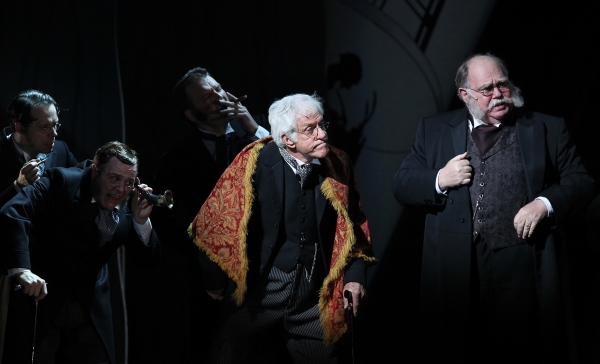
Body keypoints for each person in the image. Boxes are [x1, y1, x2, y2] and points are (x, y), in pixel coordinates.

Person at [392, 53, 594, 363]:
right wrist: (440, 179)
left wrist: (544, 204)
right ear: (465, 95)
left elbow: (581, 181)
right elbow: (402, 185)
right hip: (455, 265)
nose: (498, 94)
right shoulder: (433, 130)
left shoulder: (546, 128)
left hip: (520, 263)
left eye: (503, 84)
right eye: (487, 89)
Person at [190, 93, 375, 363]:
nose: (321, 134)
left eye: (322, 125)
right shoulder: (253, 164)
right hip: (263, 287)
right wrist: (215, 281)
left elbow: (354, 223)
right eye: (309, 129)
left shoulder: (338, 163)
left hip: (312, 293)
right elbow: (218, 223)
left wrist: (355, 275)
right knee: (226, 348)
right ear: (287, 139)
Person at [129, 67, 269, 363]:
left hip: (266, 270)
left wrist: (253, 127)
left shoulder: (255, 139)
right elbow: (163, 220)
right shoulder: (178, 159)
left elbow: (291, 171)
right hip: (211, 283)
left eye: (218, 89)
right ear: (191, 115)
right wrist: (200, 249)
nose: (219, 97)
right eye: (207, 97)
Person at [0, 141, 160, 363]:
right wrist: (22, 270)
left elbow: (147, 260)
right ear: (95, 169)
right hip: (44, 300)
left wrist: (141, 221)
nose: (121, 189)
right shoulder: (61, 180)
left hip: (89, 307)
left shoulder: (128, 202)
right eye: (114, 179)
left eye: (128, 182)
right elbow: (13, 211)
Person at [0, 90, 78, 206]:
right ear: (20, 128)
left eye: (55, 125)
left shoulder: (61, 149)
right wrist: (18, 186)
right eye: (44, 127)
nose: (55, 134)